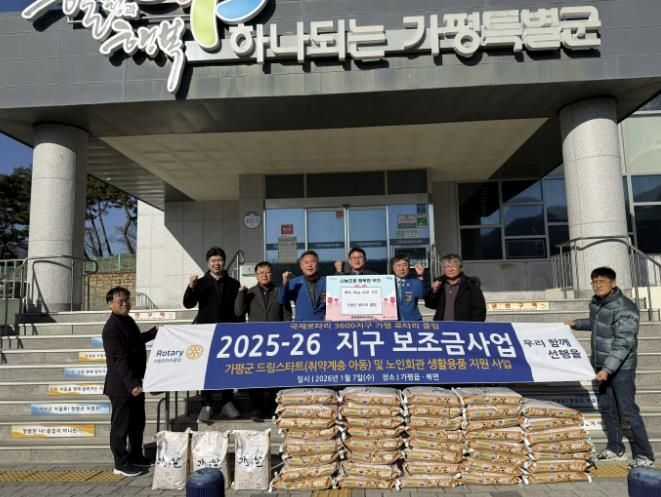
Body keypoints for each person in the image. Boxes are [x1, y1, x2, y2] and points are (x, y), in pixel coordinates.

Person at [565, 267, 655, 469]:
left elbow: (623, 343)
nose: (598, 285)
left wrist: (607, 369)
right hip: (601, 366)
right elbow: (598, 324)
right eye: (594, 282)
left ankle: (645, 455)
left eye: (602, 281)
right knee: (608, 408)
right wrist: (575, 324)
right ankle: (615, 448)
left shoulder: (625, 309)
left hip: (620, 368)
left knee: (627, 411)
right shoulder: (597, 303)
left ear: (613, 283)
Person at [102, 287, 157, 477]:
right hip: (122, 386)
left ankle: (136, 456)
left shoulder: (127, 321)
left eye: (127, 300)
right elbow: (119, 358)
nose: (125, 303)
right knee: (121, 427)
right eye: (120, 301)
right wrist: (132, 384)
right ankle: (121, 463)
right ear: (110, 304)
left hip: (135, 382)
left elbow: (137, 341)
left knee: (137, 423)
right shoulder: (111, 328)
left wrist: (153, 333)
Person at [183, 246, 242, 422]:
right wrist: (191, 287)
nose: (217, 263)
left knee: (227, 368)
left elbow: (238, 310)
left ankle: (227, 402)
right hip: (206, 332)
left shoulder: (234, 284)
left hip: (228, 333)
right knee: (206, 368)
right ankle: (206, 403)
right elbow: (188, 303)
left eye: (219, 260)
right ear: (208, 263)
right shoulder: (200, 283)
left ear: (224, 262)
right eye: (213, 261)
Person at [235, 261, 292, 419]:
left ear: (271, 274)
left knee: (276, 373)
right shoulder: (250, 292)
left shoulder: (279, 291)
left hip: (277, 339)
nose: (264, 275)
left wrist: (286, 333)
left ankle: (274, 406)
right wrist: (241, 293)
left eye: (267, 272)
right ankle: (257, 408)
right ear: (256, 275)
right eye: (260, 273)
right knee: (257, 375)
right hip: (256, 340)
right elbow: (238, 311)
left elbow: (287, 314)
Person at [425, 253, 486, 322]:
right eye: (447, 266)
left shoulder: (470, 285)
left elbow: (479, 310)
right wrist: (434, 292)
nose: (450, 269)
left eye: (454, 266)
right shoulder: (439, 284)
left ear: (460, 267)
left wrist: (473, 326)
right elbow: (431, 305)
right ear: (443, 269)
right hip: (442, 326)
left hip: (463, 326)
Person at [279, 250, 326, 321]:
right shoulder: (294, 282)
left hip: (322, 323)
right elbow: (281, 300)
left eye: (312, 262)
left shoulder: (326, 281)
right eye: (306, 262)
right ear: (301, 266)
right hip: (302, 324)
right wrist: (285, 282)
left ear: (317, 265)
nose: (309, 265)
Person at [391, 255, 427, 321]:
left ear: (409, 267)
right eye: (398, 265)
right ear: (393, 268)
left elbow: (422, 295)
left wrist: (420, 276)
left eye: (404, 265)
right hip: (393, 322)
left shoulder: (414, 282)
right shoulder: (388, 283)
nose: (402, 269)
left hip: (412, 322)